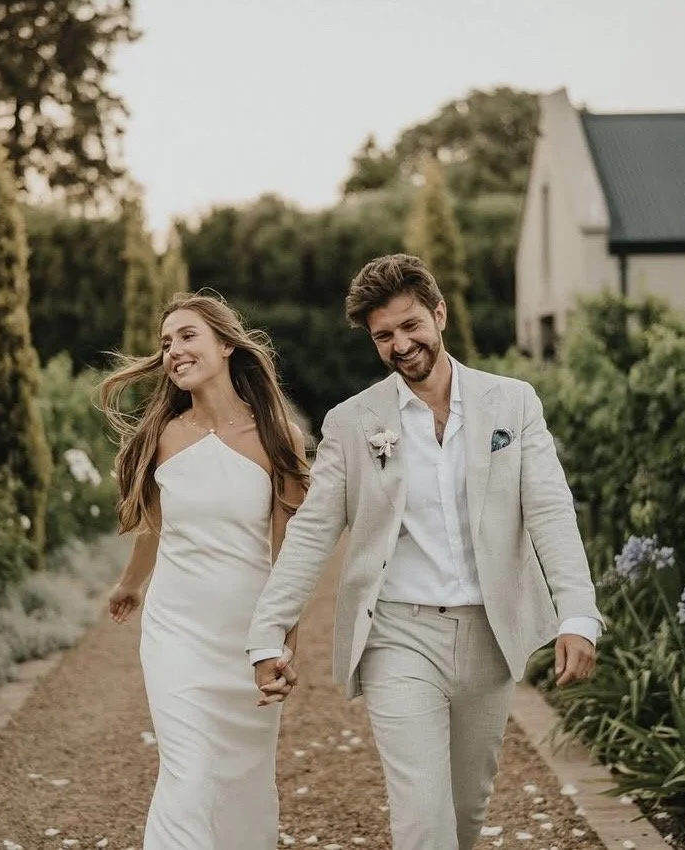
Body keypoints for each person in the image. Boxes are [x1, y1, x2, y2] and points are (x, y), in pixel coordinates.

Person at [247, 254, 603, 850]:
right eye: (383, 335)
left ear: (438, 314)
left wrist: (578, 613)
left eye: (411, 326)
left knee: (465, 813)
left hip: (490, 634)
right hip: (397, 636)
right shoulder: (351, 422)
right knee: (421, 817)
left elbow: (549, 511)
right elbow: (311, 531)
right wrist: (268, 631)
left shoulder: (513, 404)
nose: (400, 344)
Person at [100, 292, 308, 850]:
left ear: (226, 344)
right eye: (166, 342)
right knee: (188, 774)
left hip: (247, 636)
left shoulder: (276, 438)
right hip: (177, 632)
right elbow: (154, 524)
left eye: (187, 335)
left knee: (242, 784)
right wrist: (131, 583)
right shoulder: (163, 435)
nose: (173, 350)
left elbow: (291, 552)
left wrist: (284, 645)